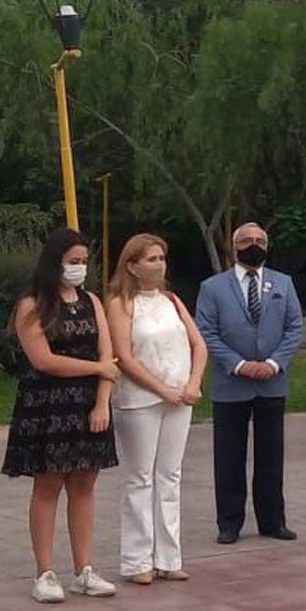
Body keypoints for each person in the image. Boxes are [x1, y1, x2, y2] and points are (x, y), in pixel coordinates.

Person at [3, 227, 120, 603]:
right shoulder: (32, 305)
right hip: (48, 405)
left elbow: (108, 359)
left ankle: (84, 568)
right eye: (73, 262)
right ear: (55, 262)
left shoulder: (93, 302)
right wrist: (95, 370)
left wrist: (102, 402)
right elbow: (44, 360)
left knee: (84, 486)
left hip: (89, 404)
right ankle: (45, 571)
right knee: (48, 485)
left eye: (84, 262)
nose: (79, 269)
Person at [106, 234, 207, 584]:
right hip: (139, 400)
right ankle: (137, 561)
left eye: (161, 257)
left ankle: (169, 556)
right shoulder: (120, 303)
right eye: (151, 259)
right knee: (140, 478)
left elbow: (198, 343)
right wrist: (162, 388)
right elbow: (124, 355)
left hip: (180, 398)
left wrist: (193, 382)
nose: (159, 264)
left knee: (170, 475)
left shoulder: (172, 300)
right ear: (132, 266)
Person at [194, 223, 304, 545]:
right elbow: (206, 332)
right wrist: (239, 365)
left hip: (272, 382)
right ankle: (229, 522)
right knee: (229, 456)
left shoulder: (283, 283)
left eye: (259, 241)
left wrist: (272, 363)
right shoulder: (212, 287)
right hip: (231, 384)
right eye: (246, 241)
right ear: (234, 247)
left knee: (271, 455)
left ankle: (273, 521)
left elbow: (294, 327)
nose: (253, 245)